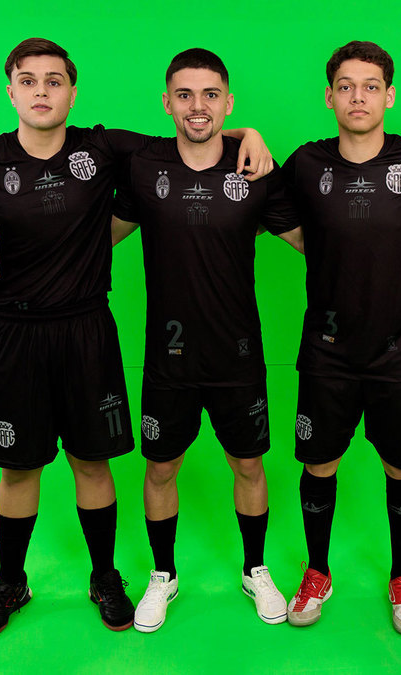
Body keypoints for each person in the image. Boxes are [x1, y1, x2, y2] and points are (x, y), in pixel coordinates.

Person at [0, 38, 272, 641]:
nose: (41, 91)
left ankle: (106, 577)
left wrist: (249, 133)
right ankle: (11, 582)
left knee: (93, 461)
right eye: (28, 81)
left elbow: (192, 135)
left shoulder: (102, 148)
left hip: (88, 329)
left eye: (53, 81)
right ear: (11, 92)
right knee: (19, 469)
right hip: (15, 333)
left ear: (72, 91)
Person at [110, 48, 301, 633]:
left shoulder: (256, 172)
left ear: (229, 103)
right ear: (166, 102)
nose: (198, 106)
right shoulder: (143, 166)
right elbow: (98, 238)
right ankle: (163, 575)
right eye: (185, 95)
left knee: (249, 463)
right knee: (160, 468)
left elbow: (311, 244)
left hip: (237, 354)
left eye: (211, 95)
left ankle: (255, 569)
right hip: (167, 358)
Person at [279, 41, 401, 636]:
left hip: (397, 351)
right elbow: (275, 215)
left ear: (389, 96)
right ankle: (317, 571)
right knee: (319, 462)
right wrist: (329, 255)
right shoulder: (306, 163)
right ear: (329, 97)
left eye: (371, 86)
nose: (359, 97)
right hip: (326, 349)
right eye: (346, 86)